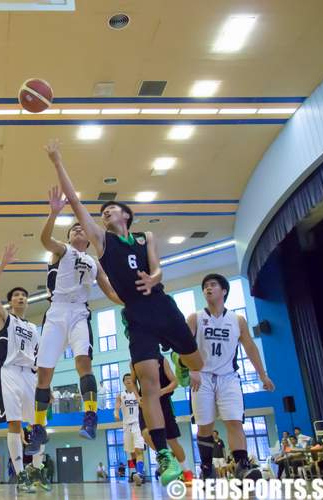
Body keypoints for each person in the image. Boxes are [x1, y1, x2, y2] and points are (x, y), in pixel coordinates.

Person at [45, 139, 203, 485]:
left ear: (127, 216)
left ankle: (178, 358)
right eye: (104, 212)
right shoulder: (103, 243)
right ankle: (163, 455)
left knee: (198, 364)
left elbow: (159, 268)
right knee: (148, 384)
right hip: (138, 316)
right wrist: (58, 161)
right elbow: (75, 201)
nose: (106, 213)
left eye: (113, 209)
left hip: (162, 305)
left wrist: (154, 278)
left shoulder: (147, 237)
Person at [32, 186, 122, 450]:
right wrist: (53, 214)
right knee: (44, 375)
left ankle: (90, 415)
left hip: (80, 312)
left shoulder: (95, 262)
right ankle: (38, 427)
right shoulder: (62, 251)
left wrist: (132, 302)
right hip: (57, 312)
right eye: (73, 229)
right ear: (69, 237)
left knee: (84, 361)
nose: (78, 230)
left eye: (81, 228)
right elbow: (45, 240)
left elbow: (110, 290)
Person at [187, 273, 275, 481]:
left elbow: (250, 348)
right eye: (205, 286)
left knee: (235, 422)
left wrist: (263, 375)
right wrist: (192, 369)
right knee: (205, 426)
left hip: (229, 377)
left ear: (224, 291)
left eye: (213, 285)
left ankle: (242, 466)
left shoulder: (237, 320)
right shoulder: (195, 318)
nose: (208, 288)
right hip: (203, 376)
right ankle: (207, 468)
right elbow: (183, 345)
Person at [0, 244, 47, 493]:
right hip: (8, 372)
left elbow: (40, 359)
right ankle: (21, 475)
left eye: (24, 296)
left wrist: (46, 385)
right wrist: (3, 264)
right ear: (10, 302)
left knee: (37, 427)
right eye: (16, 295)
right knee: (14, 424)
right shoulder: (4, 318)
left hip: (29, 376)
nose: (21, 297)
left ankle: (39, 472)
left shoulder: (33, 328)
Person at [131, 353, 194, 484]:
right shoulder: (134, 361)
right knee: (146, 434)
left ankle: (187, 474)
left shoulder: (161, 359)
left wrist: (161, 391)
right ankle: (168, 458)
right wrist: (137, 397)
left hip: (163, 402)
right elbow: (132, 382)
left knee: (173, 441)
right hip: (146, 403)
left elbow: (175, 382)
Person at [115, 373, 144, 485]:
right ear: (123, 382)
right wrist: (116, 412)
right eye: (126, 379)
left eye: (129, 378)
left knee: (138, 450)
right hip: (126, 426)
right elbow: (117, 406)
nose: (128, 380)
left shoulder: (138, 393)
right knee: (132, 453)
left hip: (137, 423)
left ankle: (140, 473)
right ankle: (138, 474)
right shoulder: (120, 395)